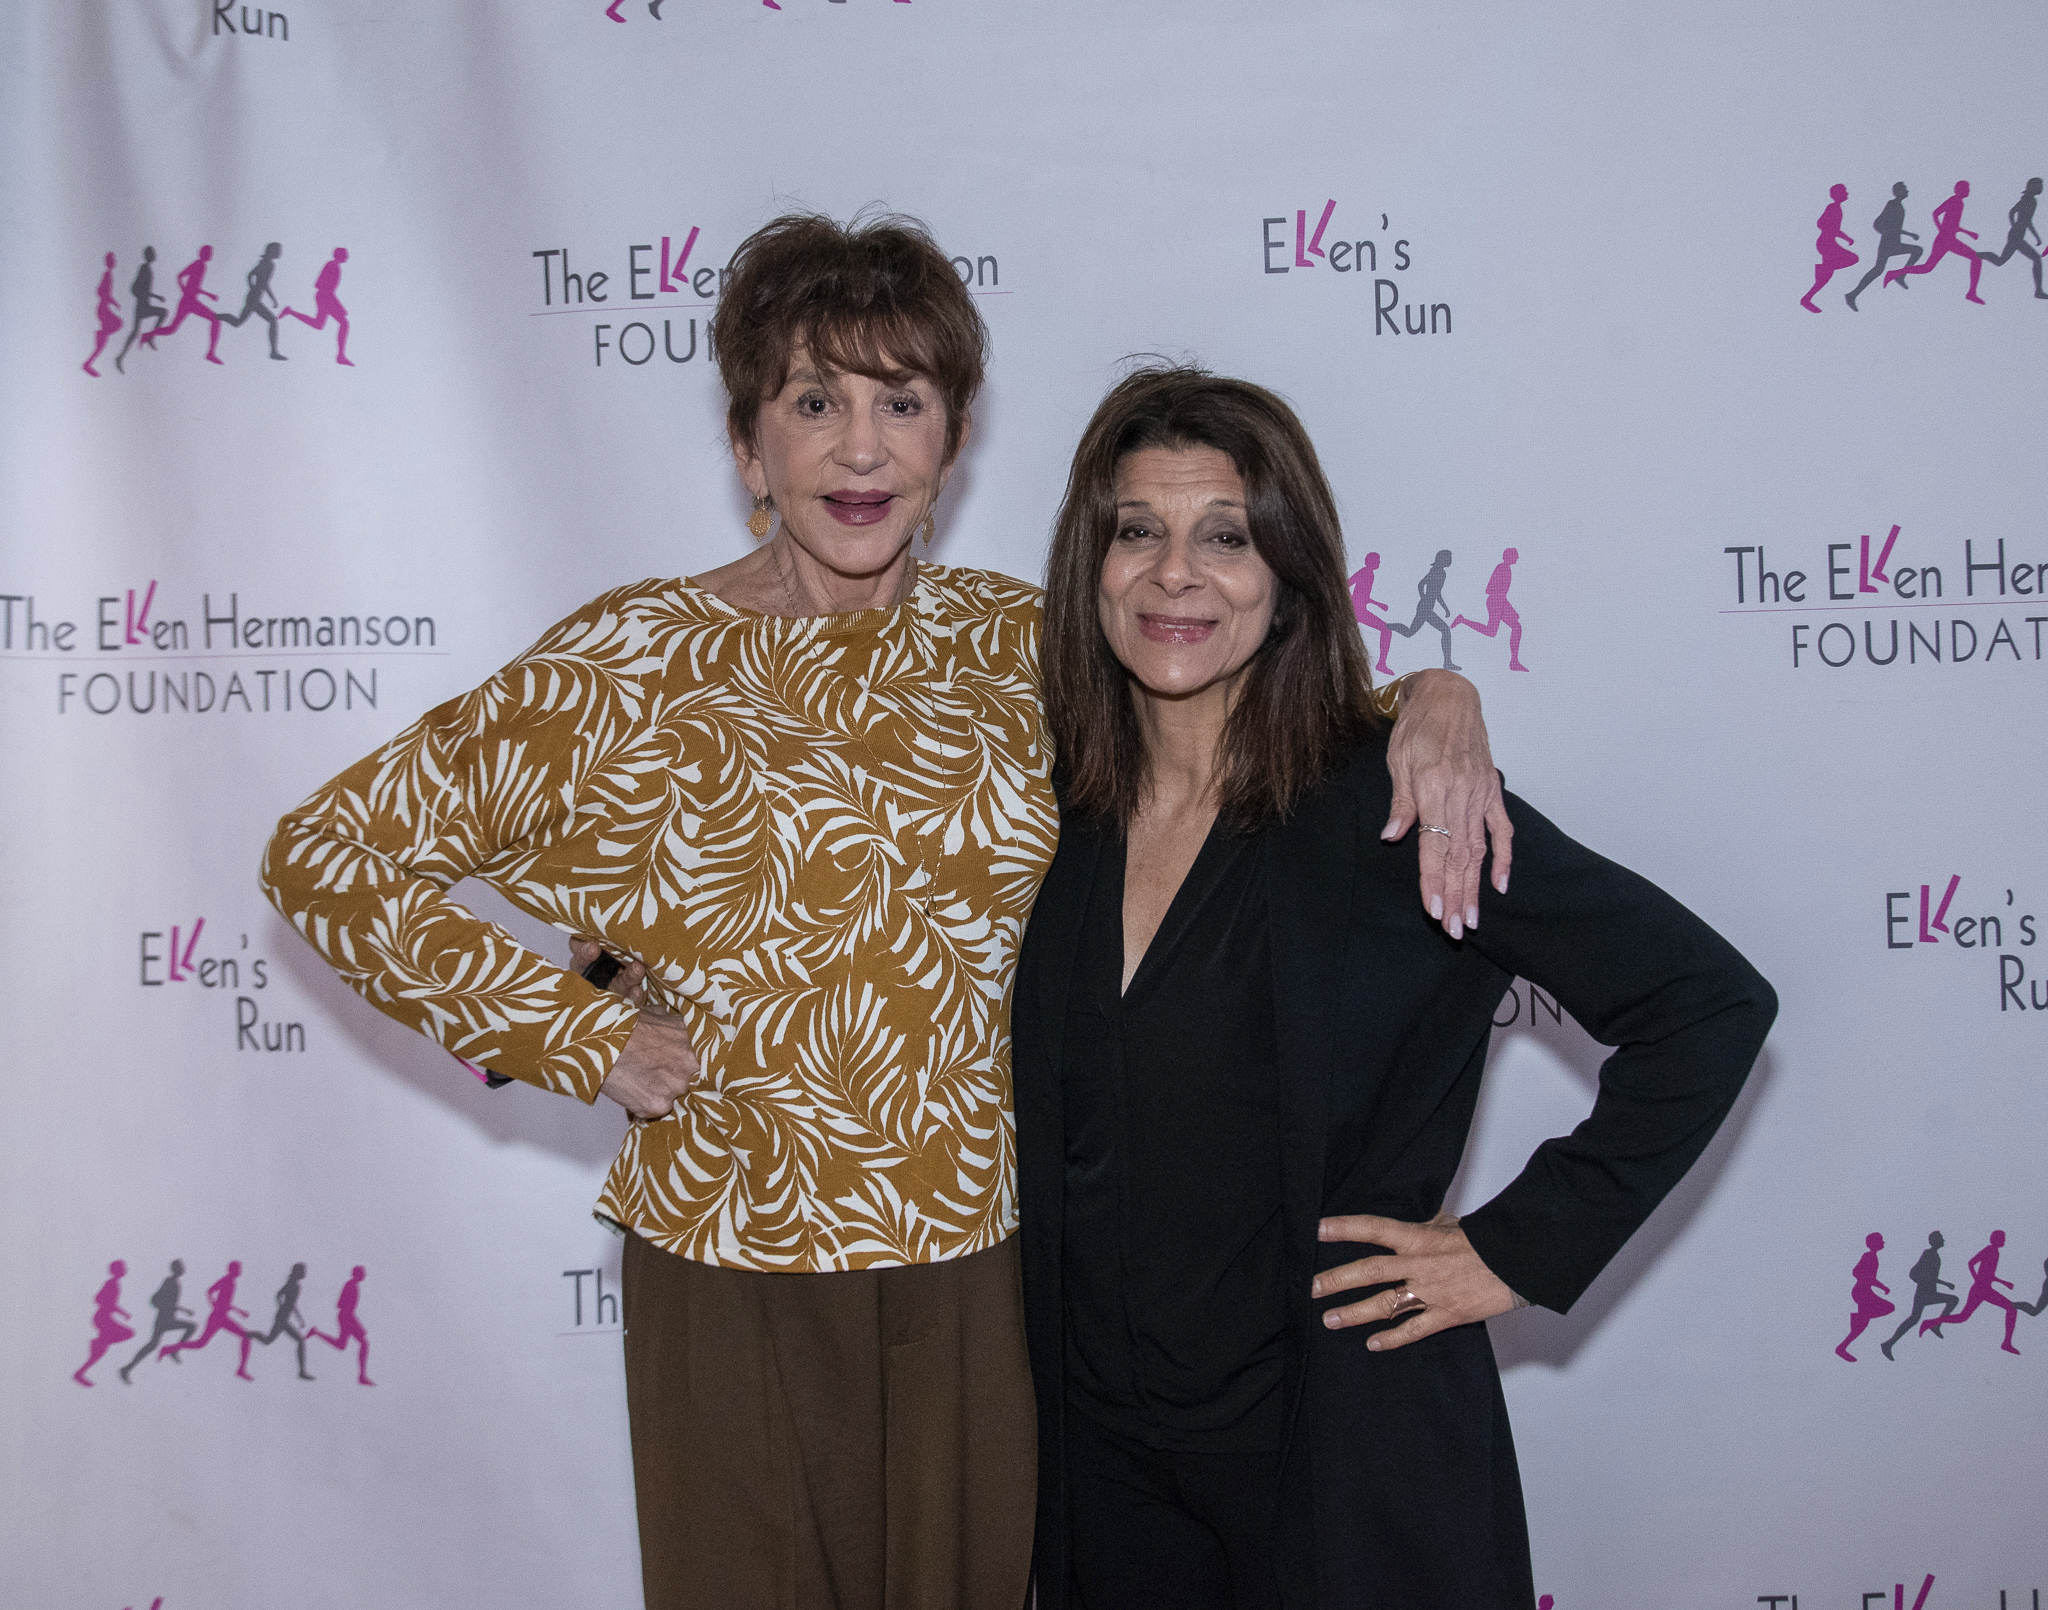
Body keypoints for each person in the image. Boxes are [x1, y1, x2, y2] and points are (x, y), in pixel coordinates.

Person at [260, 211, 1509, 1610]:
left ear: (950, 441)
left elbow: (1242, 696)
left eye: (900, 403)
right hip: (730, 1254)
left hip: (986, 1260)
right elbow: (330, 853)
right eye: (814, 402)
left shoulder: (1017, 644)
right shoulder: (621, 665)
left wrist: (1438, 697)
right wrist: (568, 1028)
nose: (861, 448)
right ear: (748, 444)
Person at [1014, 367, 1775, 1609]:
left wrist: (1511, 1247)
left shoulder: (1402, 806)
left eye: (1226, 535)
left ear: (1290, 574)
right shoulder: (1049, 806)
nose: (1174, 575)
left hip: (1341, 1466)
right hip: (1104, 1481)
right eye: (1136, 530)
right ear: (1088, 561)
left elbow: (1705, 1003)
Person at [1885, 182, 1985, 303]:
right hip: (1945, 240)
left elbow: (1952, 225)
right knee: (1975, 259)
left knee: (1928, 267)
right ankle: (1971, 293)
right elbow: (1936, 213)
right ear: (1961, 190)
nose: (1968, 190)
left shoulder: (1959, 202)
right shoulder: (1954, 200)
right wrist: (1941, 230)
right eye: (1967, 188)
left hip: (1949, 239)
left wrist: (1967, 233)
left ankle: (1894, 273)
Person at [1924, 1230, 2022, 1353]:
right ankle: (2006, 1343)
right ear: (1996, 1239)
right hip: (1980, 1290)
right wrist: (1977, 1280)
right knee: (2009, 1309)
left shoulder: (1995, 1252)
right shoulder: (1989, 1250)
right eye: (2002, 1238)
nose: (2004, 1240)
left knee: (1964, 1316)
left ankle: (1932, 1322)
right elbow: (1971, 1263)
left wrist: (2003, 1282)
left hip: (1985, 1289)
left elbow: (1988, 1275)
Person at [1880, 1230, 1959, 1359]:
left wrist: (1945, 1283)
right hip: (1923, 1293)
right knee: (1914, 1319)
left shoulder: (1935, 1256)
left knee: (1916, 1318)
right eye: (1941, 1238)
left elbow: (1931, 1276)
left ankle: (1889, 1343)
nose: (1943, 1241)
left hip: (1930, 1292)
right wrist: (1925, 1281)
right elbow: (1913, 1272)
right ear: (1935, 1241)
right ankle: (1889, 1343)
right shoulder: (1928, 1254)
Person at [145, 244, 226, 365]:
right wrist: (185, 290)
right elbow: (180, 276)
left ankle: (148, 334)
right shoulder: (198, 264)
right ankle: (210, 353)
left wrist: (207, 294)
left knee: (172, 329)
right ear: (204, 254)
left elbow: (193, 286)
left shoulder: (202, 265)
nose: (211, 254)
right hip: (188, 302)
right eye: (209, 252)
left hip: (190, 301)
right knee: (215, 320)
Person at [119, 1259, 196, 1381]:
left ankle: (127, 1368)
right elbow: (156, 1299)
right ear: (177, 1269)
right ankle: (174, 1351)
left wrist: (179, 1309)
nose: (183, 1269)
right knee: (191, 1327)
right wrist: (181, 1309)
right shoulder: (169, 1282)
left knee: (152, 1345)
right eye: (181, 1267)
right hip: (163, 1320)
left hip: (167, 1319)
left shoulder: (174, 1282)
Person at [1977, 178, 2048, 299]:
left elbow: (2026, 220)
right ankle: (2039, 291)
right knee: (2036, 258)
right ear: (2032, 186)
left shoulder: (2031, 200)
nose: (2041, 188)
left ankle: (1978, 255)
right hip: (2016, 236)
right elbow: (2013, 213)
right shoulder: (2028, 199)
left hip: (2017, 235)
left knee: (2000, 261)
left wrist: (2036, 237)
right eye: (2039, 185)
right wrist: (2015, 226)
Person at [280, 248, 352, 365]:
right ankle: (340, 355)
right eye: (345, 255)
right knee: (343, 323)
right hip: (325, 297)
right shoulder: (332, 265)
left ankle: (290, 312)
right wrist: (335, 304)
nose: (347, 257)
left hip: (325, 297)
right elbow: (322, 285)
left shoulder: (333, 265)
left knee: (319, 324)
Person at [221, 243, 289, 360]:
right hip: (254, 299)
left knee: (238, 322)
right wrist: (253, 287)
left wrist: (272, 298)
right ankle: (273, 352)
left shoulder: (269, 264)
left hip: (255, 298)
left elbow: (263, 283)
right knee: (272, 320)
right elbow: (251, 276)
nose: (280, 252)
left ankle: (218, 316)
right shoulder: (266, 264)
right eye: (278, 250)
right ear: (271, 251)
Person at [74, 1260, 135, 1386]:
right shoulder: (111, 1283)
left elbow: (107, 1302)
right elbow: (99, 1299)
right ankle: (100, 1342)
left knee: (100, 1351)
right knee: (127, 1333)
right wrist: (120, 1312)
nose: (125, 1269)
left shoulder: (115, 1283)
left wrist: (121, 1312)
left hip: (105, 1318)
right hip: (102, 1318)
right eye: (123, 1268)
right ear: (117, 1270)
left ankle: (80, 1372)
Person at [1835, 1232, 1894, 1362]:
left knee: (1863, 1323)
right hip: (1861, 1291)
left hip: (1865, 1291)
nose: (1883, 1243)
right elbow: (1856, 1272)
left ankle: (1842, 1346)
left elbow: (1869, 1278)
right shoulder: (1868, 1256)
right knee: (1888, 1307)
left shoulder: (1873, 1257)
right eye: (1880, 1240)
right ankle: (1857, 1321)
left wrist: (1880, 1286)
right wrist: (1881, 1286)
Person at [1800, 184, 1858, 312]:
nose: (1847, 193)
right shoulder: (1833, 208)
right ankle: (1824, 268)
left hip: (1829, 243)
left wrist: (1845, 238)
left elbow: (1833, 229)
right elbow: (1821, 223)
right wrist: (1844, 237)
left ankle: (1807, 298)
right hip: (1826, 243)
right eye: (1844, 191)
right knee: (1852, 258)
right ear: (1837, 194)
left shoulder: (1837, 208)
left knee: (1825, 277)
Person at [113, 247, 168, 374]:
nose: (155, 255)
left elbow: (140, 289)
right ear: (149, 255)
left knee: (135, 332)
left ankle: (120, 357)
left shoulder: (147, 269)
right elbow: (136, 288)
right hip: (141, 306)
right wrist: (155, 296)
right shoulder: (144, 268)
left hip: (143, 305)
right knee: (162, 313)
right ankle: (148, 338)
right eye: (153, 253)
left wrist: (153, 296)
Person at [83, 253, 123, 378]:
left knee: (114, 328)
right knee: (117, 324)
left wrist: (113, 302)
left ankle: (88, 363)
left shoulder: (109, 275)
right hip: (103, 309)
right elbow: (100, 291)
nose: (114, 261)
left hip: (103, 308)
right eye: (112, 260)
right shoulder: (107, 275)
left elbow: (103, 292)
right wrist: (110, 301)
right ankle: (87, 363)